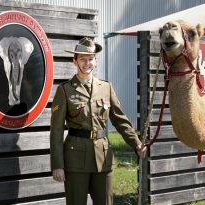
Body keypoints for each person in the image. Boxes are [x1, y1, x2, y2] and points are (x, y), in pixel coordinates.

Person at [50, 37, 147, 205]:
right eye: (82, 59)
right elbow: (56, 132)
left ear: (95, 61)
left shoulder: (106, 87)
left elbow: (120, 120)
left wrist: (136, 143)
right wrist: (57, 165)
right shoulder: (64, 90)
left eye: (90, 59)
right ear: (75, 61)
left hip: (103, 157)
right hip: (75, 159)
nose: (87, 63)